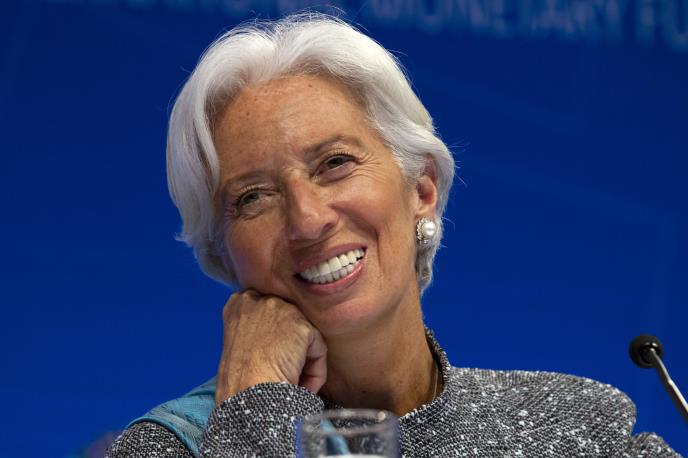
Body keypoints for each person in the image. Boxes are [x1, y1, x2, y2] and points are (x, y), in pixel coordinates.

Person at [106, 13, 680, 457]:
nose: (307, 220)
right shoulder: (171, 447)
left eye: (335, 163)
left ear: (421, 189)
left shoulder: (574, 429)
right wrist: (258, 404)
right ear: (221, 252)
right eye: (253, 197)